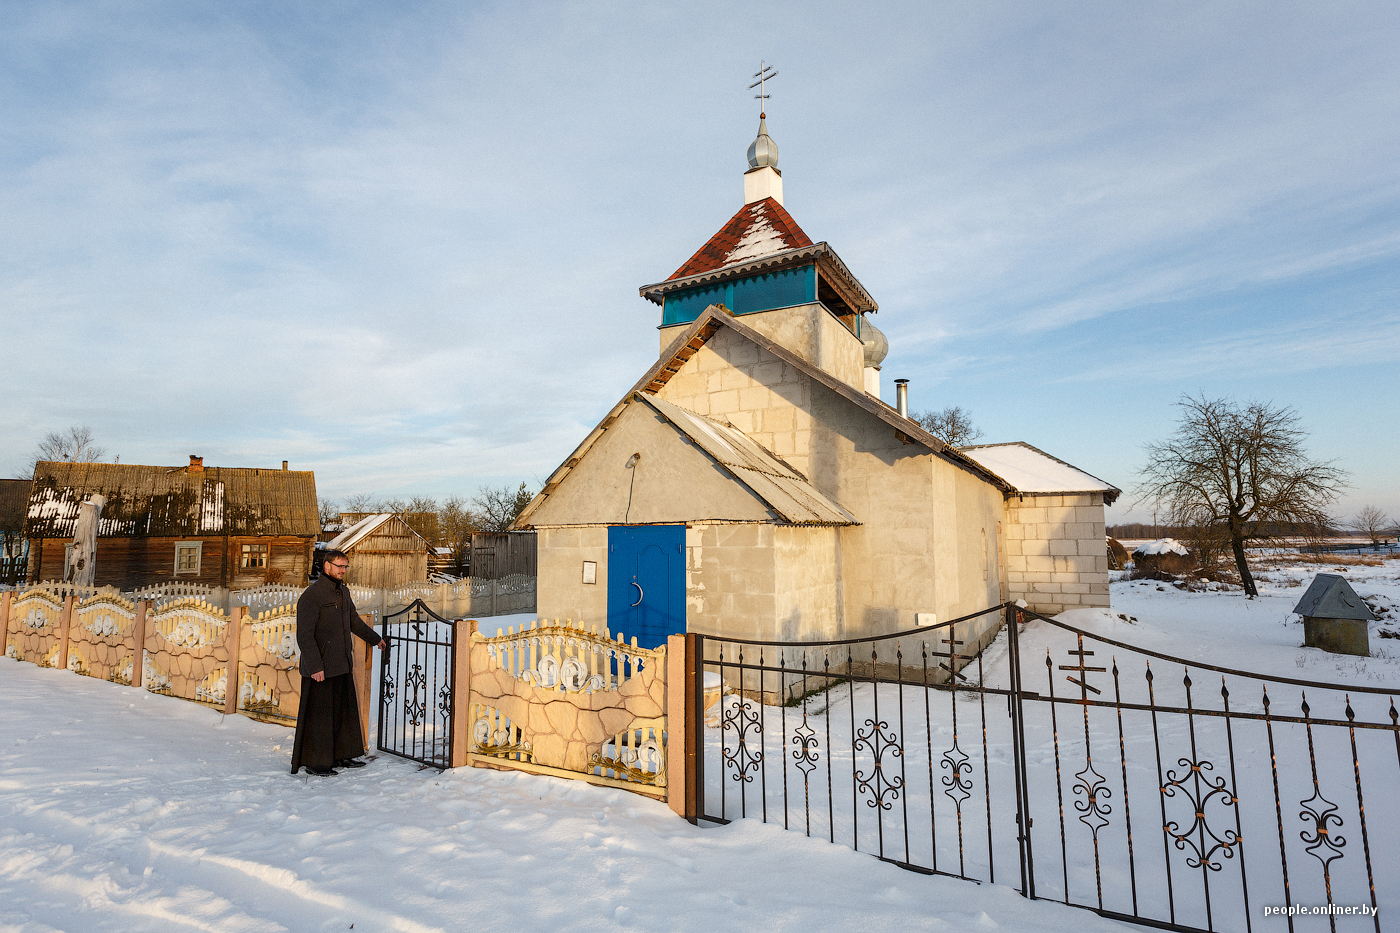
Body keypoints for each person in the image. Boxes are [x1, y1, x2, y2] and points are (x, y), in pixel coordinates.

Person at [289, 549, 388, 776]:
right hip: (321, 667)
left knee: (343, 714)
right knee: (320, 718)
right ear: (327, 566)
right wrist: (315, 667)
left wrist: (375, 639)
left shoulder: (343, 592)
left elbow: (354, 622)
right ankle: (317, 763)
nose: (343, 570)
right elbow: (304, 635)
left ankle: (341, 756)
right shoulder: (312, 596)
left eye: (346, 566)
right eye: (339, 566)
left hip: (342, 664)